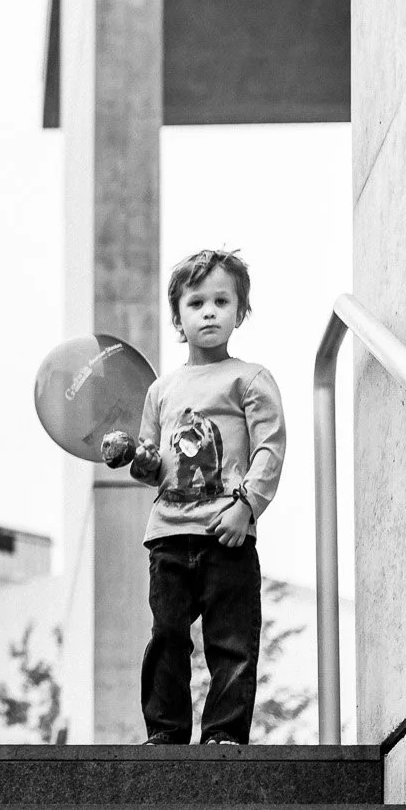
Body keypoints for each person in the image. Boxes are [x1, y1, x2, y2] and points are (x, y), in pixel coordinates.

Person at [106, 248, 285, 746]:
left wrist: (247, 506)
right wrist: (133, 459)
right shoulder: (161, 391)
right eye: (197, 302)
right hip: (167, 535)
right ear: (178, 318)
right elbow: (156, 465)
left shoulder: (248, 379)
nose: (209, 311)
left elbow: (270, 448)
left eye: (222, 301)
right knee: (167, 638)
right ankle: (165, 733)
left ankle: (224, 734)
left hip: (227, 534)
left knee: (231, 641)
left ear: (239, 312)